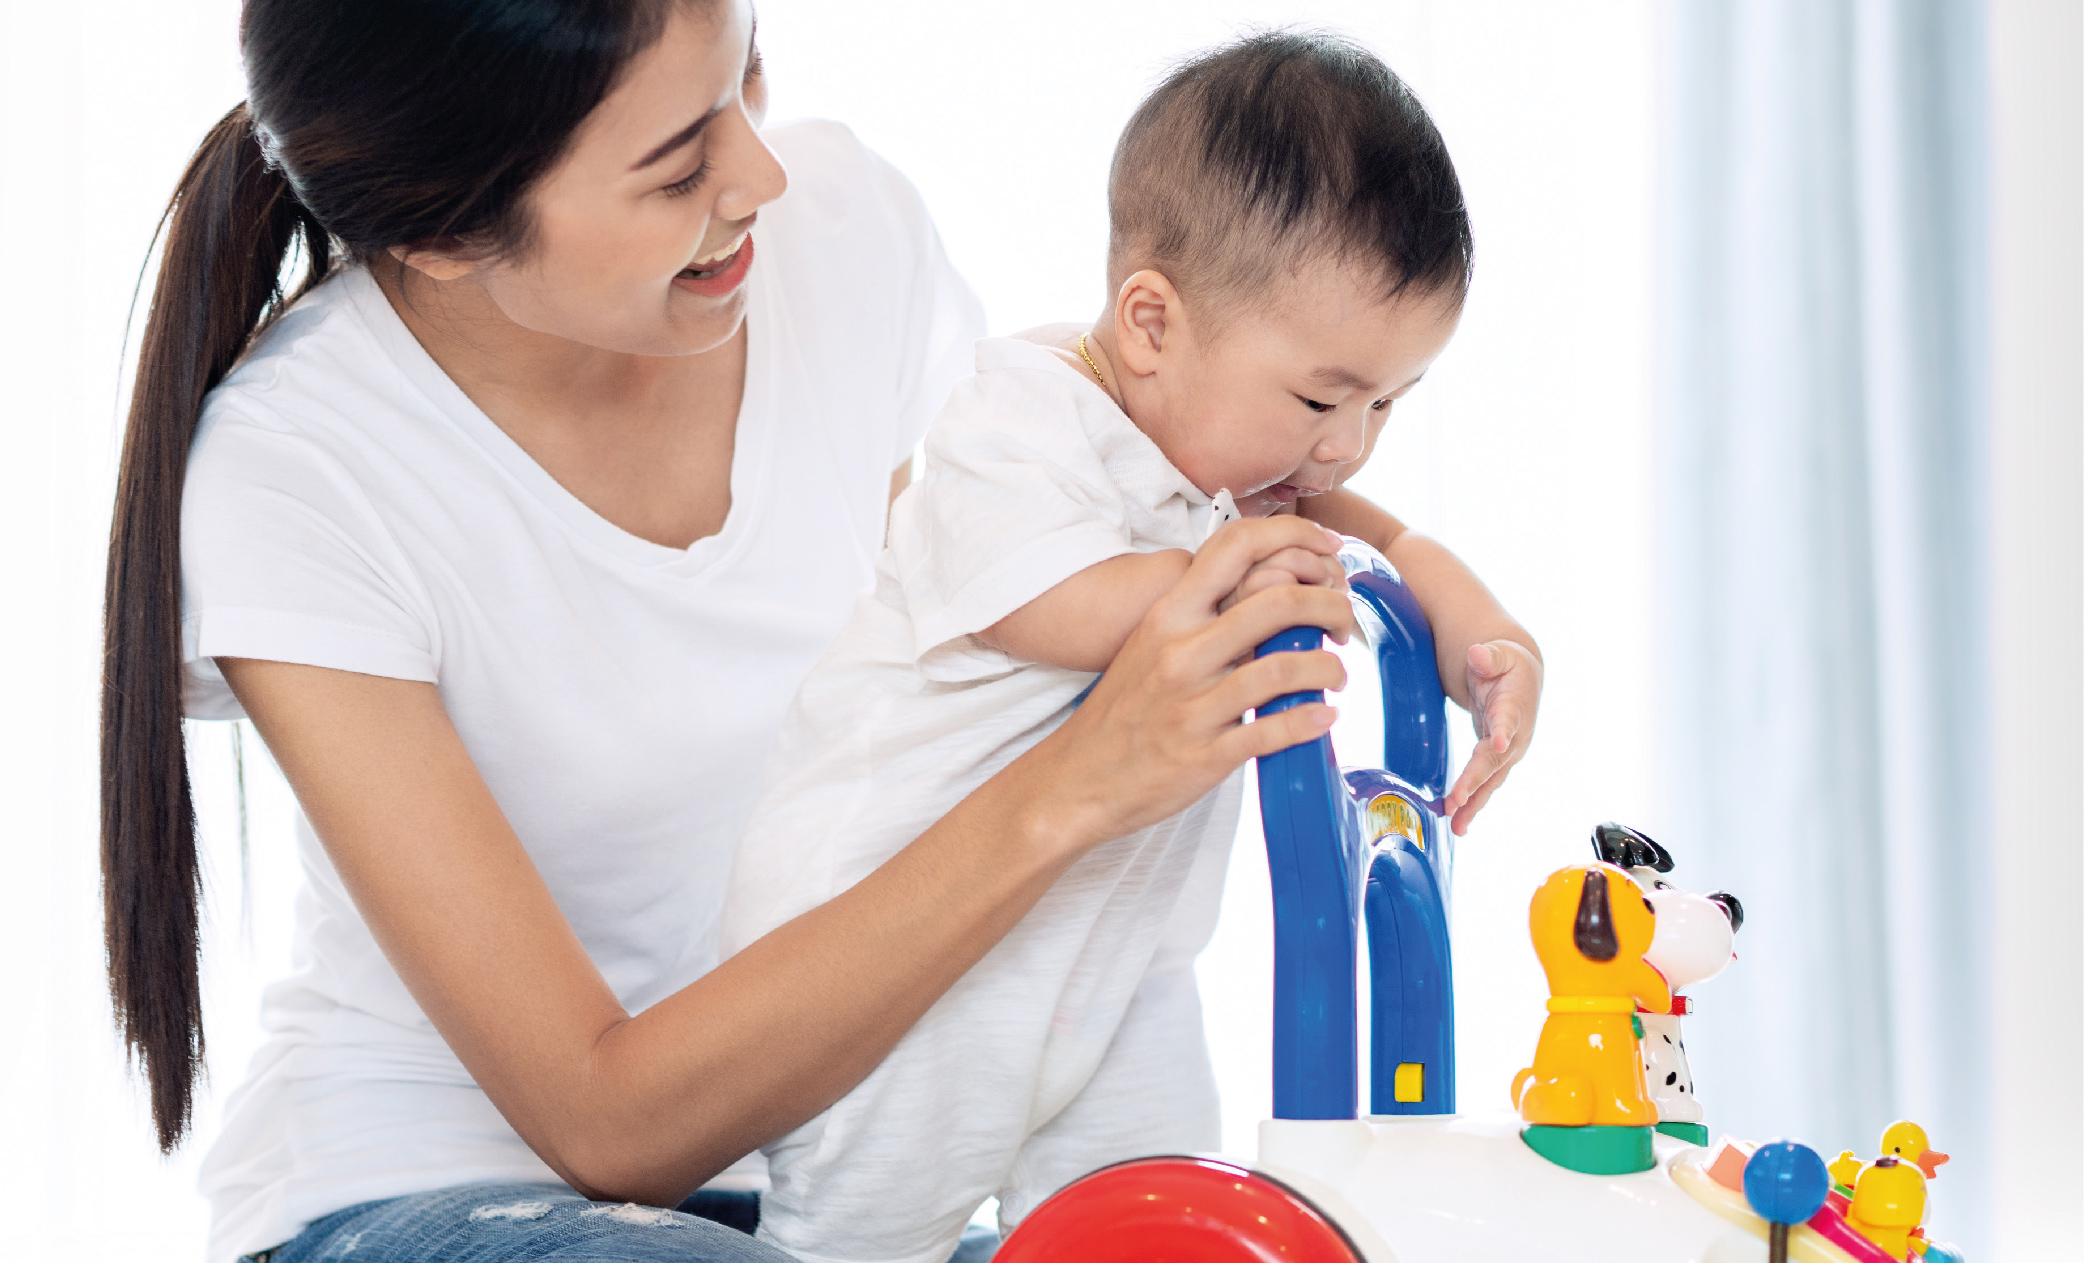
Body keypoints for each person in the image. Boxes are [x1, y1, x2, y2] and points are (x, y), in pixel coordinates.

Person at [100, 2, 1361, 1261]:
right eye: (675, 167)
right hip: (438, 1191)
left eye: (743, 77)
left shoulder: (840, 233)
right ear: (441, 235)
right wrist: (1076, 788)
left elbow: (936, 694)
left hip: (812, 1175)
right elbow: (607, 1129)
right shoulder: (298, 469)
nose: (762, 174)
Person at [722, 31, 1543, 1263]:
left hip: (1118, 967)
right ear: (1150, 322)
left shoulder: (1245, 461)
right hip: (909, 965)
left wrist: (1485, 638)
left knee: (1152, 1213)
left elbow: (1388, 545)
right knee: (864, 1235)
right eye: (1322, 399)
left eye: (1387, 402)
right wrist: (1227, 581)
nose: (1346, 447)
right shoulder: (1020, 417)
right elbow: (1035, 603)